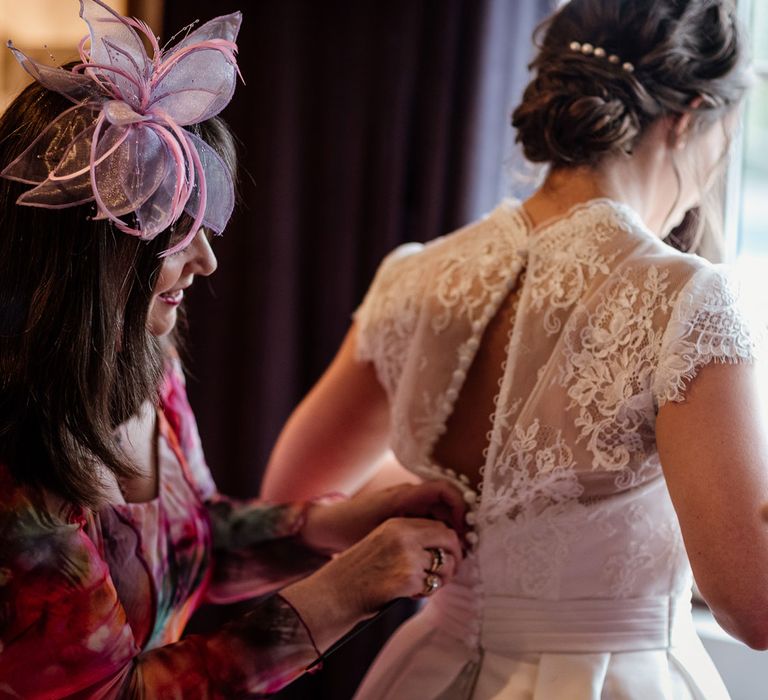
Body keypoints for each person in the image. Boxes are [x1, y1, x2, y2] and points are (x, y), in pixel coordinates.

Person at [261, 0, 768, 697]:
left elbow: (289, 499)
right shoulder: (685, 299)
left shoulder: (414, 275)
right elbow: (753, 604)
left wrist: (463, 504)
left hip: (427, 670)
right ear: (690, 118)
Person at [0, 2, 468, 698]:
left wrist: (334, 527)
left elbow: (195, 543)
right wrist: (344, 591)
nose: (209, 262)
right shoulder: (14, 476)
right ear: (90, 260)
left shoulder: (146, 368)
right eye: (176, 231)